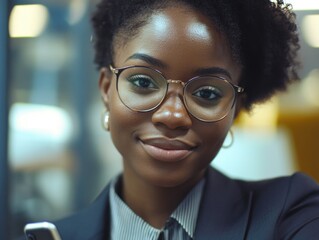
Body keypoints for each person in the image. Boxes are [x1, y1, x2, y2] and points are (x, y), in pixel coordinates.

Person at [27, 0, 319, 239]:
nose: (172, 115)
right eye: (143, 82)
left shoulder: (290, 213)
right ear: (107, 88)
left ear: (234, 108)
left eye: (206, 93)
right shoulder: (56, 237)